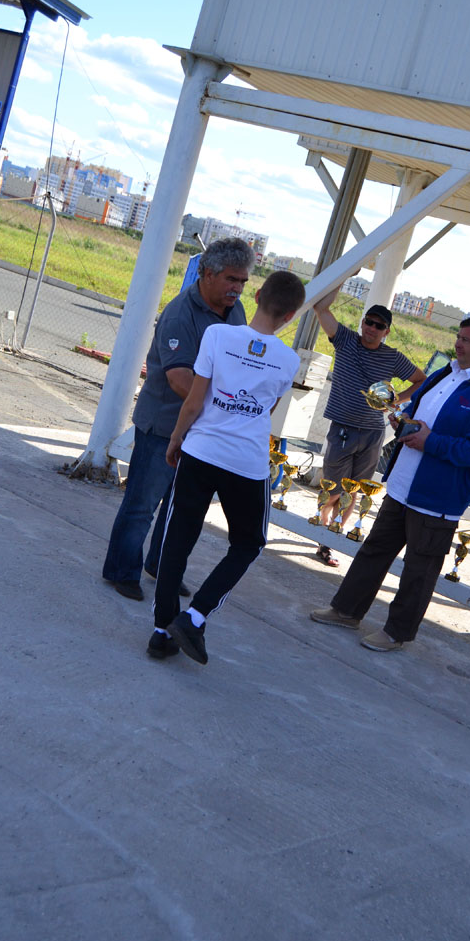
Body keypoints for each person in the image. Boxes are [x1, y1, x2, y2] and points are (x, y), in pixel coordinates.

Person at [310, 314, 470, 652]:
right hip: (402, 488)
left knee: (419, 570)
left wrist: (430, 441)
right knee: (374, 552)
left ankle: (397, 633)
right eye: (458, 336)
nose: (458, 344)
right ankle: (346, 610)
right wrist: (403, 420)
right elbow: (417, 412)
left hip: (436, 500)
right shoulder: (445, 373)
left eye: (466, 339)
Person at [147, 270, 305, 663]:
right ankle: (195, 616)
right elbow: (266, 408)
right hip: (245, 462)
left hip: (201, 450)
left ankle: (161, 630)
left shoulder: (217, 336)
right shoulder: (289, 360)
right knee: (248, 543)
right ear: (290, 315)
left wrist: (177, 438)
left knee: (177, 537)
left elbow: (195, 400)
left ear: (257, 296)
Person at [102, 237, 255, 601]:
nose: (237, 288)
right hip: (164, 425)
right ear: (207, 273)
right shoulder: (179, 315)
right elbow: (179, 379)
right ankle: (122, 571)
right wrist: (227, 407)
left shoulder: (235, 312)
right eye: (231, 279)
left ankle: (161, 565)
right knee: (142, 505)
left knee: (180, 508)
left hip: (202, 429)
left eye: (242, 281)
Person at [311, 289, 426, 567]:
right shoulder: (345, 339)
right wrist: (343, 279)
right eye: (369, 322)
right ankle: (320, 529)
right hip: (342, 428)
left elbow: (422, 380)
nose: (372, 328)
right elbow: (321, 310)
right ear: (362, 322)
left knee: (355, 491)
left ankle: (329, 541)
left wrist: (396, 400)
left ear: (386, 331)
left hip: (373, 433)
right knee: (333, 489)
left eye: (379, 325)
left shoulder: (392, 357)